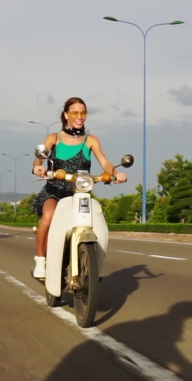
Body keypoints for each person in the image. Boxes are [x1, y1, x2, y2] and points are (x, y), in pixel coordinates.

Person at [31, 97, 127, 278]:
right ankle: (41, 261)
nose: (79, 117)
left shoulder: (90, 140)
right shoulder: (54, 138)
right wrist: (38, 166)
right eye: (75, 112)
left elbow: (104, 162)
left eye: (83, 113)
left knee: (98, 225)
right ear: (66, 115)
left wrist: (116, 173)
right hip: (55, 191)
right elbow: (39, 159)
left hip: (80, 193)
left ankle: (92, 266)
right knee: (49, 217)